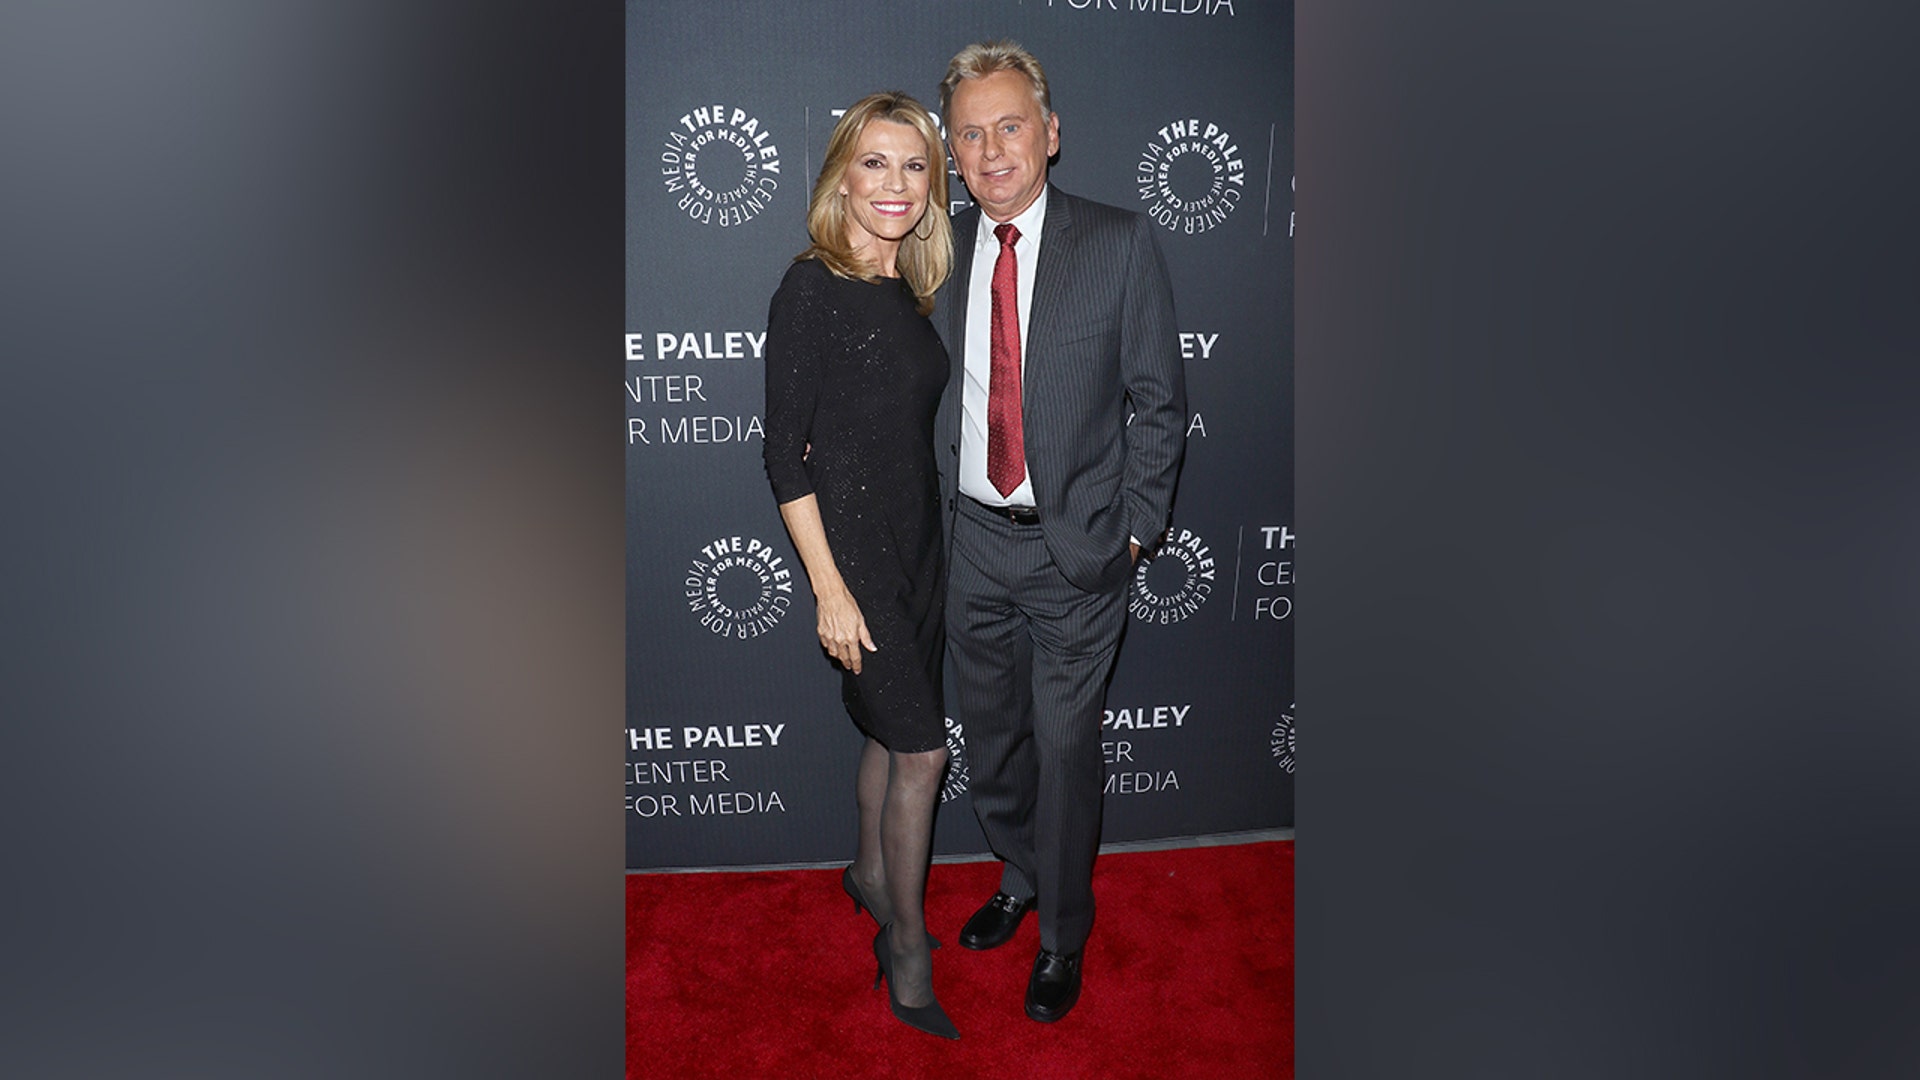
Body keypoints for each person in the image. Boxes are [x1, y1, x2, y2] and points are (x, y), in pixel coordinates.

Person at [934, 41, 1187, 1024]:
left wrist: (1134, 532)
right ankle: (1020, 874)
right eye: (970, 133)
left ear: (1049, 132)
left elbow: (1160, 403)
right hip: (968, 547)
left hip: (1077, 550)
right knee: (992, 743)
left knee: (1067, 746)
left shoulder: (1118, 243)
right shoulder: (939, 248)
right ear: (953, 151)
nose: (991, 149)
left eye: (1008, 125)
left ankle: (1061, 935)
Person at [762, 91, 960, 1041]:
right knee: (923, 749)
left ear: (934, 185)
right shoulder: (811, 287)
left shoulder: (907, 292)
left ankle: (866, 876)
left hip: (921, 547)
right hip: (857, 561)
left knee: (888, 736)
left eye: (915, 165)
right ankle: (907, 951)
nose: (896, 184)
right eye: (875, 162)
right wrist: (829, 590)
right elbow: (779, 451)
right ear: (843, 171)